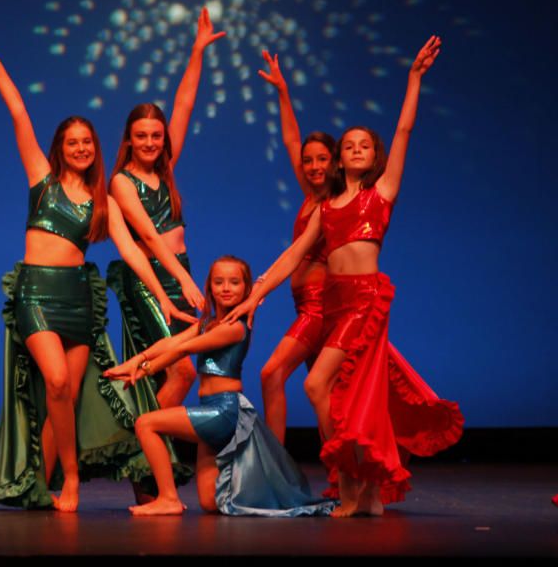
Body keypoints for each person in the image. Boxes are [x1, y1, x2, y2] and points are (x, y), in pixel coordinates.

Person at [225, 37, 463, 517]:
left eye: (363, 146)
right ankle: (363, 490)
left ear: (372, 157)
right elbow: (294, 254)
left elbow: (404, 132)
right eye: (348, 145)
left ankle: (350, 482)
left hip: (365, 301)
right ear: (340, 159)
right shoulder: (327, 207)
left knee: (318, 388)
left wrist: (413, 79)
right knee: (348, 400)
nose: (356, 150)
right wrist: (256, 295)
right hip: (332, 304)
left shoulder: (382, 194)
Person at [0, 29, 195, 512]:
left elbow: (135, 250)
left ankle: (60, 481)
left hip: (77, 299)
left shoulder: (104, 200)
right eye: (73, 142)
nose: (82, 148)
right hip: (36, 296)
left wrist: (168, 297)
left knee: (65, 394)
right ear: (60, 147)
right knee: (57, 382)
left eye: (88, 142)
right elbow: (19, 115)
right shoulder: (41, 182)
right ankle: (63, 478)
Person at [104, 256, 334, 516]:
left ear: (247, 290)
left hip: (224, 411)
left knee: (146, 423)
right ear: (210, 287)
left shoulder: (235, 327)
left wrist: (145, 369)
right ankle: (251, 490)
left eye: (234, 282)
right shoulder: (208, 323)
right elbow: (171, 342)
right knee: (209, 503)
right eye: (219, 282)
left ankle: (168, 498)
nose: (226, 288)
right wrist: (136, 360)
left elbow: (185, 348)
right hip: (210, 409)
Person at [107, 7, 223, 409]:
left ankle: (153, 454)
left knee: (168, 366)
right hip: (150, 277)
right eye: (142, 136)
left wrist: (197, 52)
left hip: (180, 270)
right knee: (181, 369)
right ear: (129, 140)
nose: (152, 142)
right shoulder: (122, 182)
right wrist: (184, 281)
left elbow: (185, 104)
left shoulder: (166, 170)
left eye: (157, 135)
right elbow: (151, 238)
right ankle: (151, 443)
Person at [256, 50, 338, 444]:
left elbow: (299, 254)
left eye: (323, 159)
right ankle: (341, 474)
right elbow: (291, 139)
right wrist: (283, 93)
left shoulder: (335, 203)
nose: (314, 166)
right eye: (309, 161)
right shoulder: (310, 195)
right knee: (327, 393)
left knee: (272, 374)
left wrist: (260, 287)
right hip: (304, 304)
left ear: (336, 163)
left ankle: (276, 467)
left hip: (320, 307)